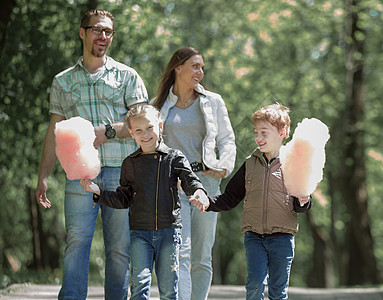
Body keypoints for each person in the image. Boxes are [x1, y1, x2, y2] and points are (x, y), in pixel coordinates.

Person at [35, 9, 148, 300]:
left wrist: (107, 131)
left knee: (119, 249)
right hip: (79, 176)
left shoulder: (127, 76)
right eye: (97, 30)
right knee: (76, 243)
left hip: (123, 174)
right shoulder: (62, 81)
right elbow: (54, 132)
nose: (103, 36)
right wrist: (43, 176)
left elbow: (144, 124)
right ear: (82, 32)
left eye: (108, 31)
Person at [80, 104, 209, 300]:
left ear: (160, 126)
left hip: (169, 232)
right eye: (139, 130)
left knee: (168, 290)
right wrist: (97, 191)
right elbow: (122, 199)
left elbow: (190, 179)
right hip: (140, 234)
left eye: (149, 128)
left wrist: (198, 191)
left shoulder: (174, 158)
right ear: (131, 134)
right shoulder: (130, 164)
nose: (145, 134)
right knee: (139, 286)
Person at [190, 103, 313, 300]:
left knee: (278, 290)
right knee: (255, 284)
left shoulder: (293, 164)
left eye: (264, 132)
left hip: (282, 238)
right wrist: (207, 201)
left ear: (282, 132)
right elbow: (230, 198)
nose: (258, 137)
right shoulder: (250, 164)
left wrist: (304, 200)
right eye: (256, 132)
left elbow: (302, 204)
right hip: (254, 237)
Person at [152, 47, 236, 300]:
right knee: (180, 252)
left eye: (202, 67)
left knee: (202, 255)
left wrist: (224, 166)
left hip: (207, 185)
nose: (200, 72)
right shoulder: (159, 105)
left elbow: (227, 139)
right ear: (178, 67)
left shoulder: (213, 101)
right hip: (173, 186)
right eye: (195, 66)